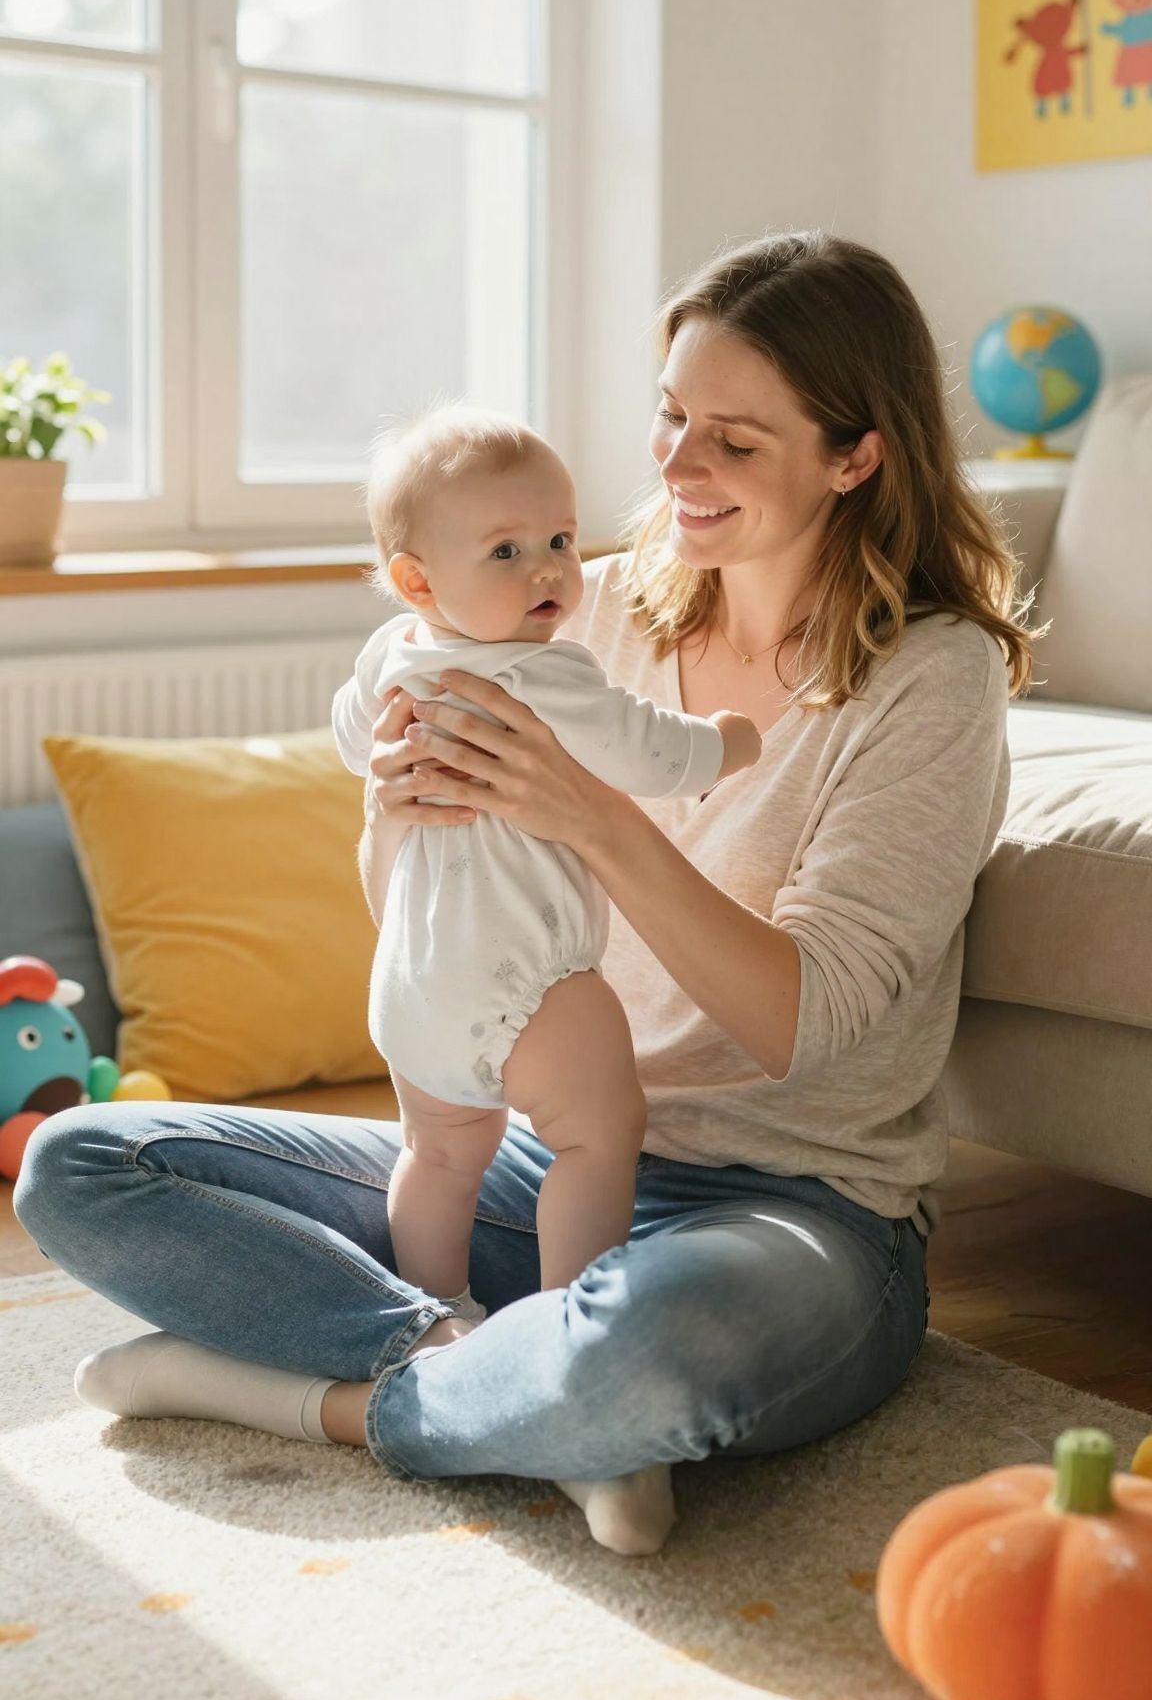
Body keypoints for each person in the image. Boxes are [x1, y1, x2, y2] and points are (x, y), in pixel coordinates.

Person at [14, 230, 1037, 1559]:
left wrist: (600, 823)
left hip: (790, 1211)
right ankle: (485, 1376)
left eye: (734, 439)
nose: (676, 469)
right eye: (672, 417)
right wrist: (397, 813)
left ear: (856, 455)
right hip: (531, 1155)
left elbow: (808, 1024)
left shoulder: (931, 682)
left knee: (653, 1359)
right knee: (82, 1162)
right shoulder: (570, 607)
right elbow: (431, 914)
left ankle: (300, 1395)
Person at [330, 404, 760, 1313]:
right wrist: (727, 742)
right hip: (530, 976)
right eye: (506, 552)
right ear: (417, 579)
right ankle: (571, 1315)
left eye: (560, 539)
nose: (550, 570)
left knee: (437, 1153)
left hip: (411, 987)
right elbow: (649, 750)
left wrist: (380, 758)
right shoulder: (549, 677)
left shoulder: (391, 657)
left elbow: (349, 733)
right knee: (601, 1136)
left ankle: (433, 1311)